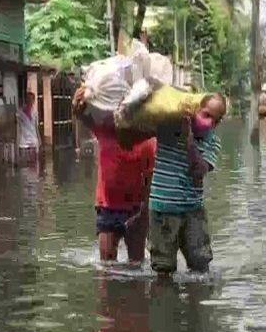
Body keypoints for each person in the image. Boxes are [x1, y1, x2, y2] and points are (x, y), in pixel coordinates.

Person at [72, 86, 157, 267]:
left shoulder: (147, 141)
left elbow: (149, 182)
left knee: (136, 266)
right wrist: (77, 102)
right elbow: (81, 115)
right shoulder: (106, 131)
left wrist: (144, 214)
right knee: (106, 268)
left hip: (136, 210)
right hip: (107, 208)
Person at [148, 93, 226, 277]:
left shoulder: (212, 141)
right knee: (163, 270)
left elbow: (198, 172)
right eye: (206, 115)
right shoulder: (167, 127)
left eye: (214, 120)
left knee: (201, 267)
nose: (209, 122)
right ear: (195, 110)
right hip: (163, 210)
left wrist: (189, 140)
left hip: (193, 211)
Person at [17, 92, 40, 163]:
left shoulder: (35, 113)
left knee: (34, 163)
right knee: (25, 165)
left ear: (33, 101)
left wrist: (39, 140)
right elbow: (17, 128)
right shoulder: (19, 113)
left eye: (31, 99)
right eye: (28, 99)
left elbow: (36, 127)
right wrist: (17, 142)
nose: (30, 101)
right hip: (24, 142)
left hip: (33, 140)